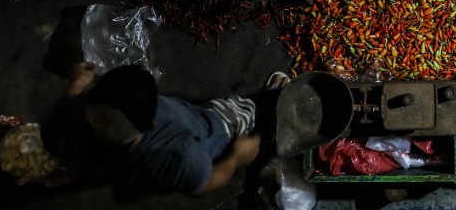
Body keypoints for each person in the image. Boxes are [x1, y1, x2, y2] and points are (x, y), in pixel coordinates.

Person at [41, 63, 286, 197]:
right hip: (212, 132)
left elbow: (69, 101)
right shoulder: (183, 157)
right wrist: (236, 158)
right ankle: (255, 112)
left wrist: (76, 83)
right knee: (226, 118)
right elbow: (208, 183)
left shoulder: (61, 120)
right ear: (152, 124)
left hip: (104, 169)